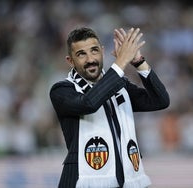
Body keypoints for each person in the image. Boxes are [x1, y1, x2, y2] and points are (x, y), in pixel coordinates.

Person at [49, 27, 170, 188]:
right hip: (81, 181)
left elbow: (160, 100)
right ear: (70, 61)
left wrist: (138, 62)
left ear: (103, 51)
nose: (90, 59)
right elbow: (89, 103)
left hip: (124, 180)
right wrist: (120, 63)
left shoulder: (119, 85)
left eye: (94, 51)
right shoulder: (62, 90)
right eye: (81, 54)